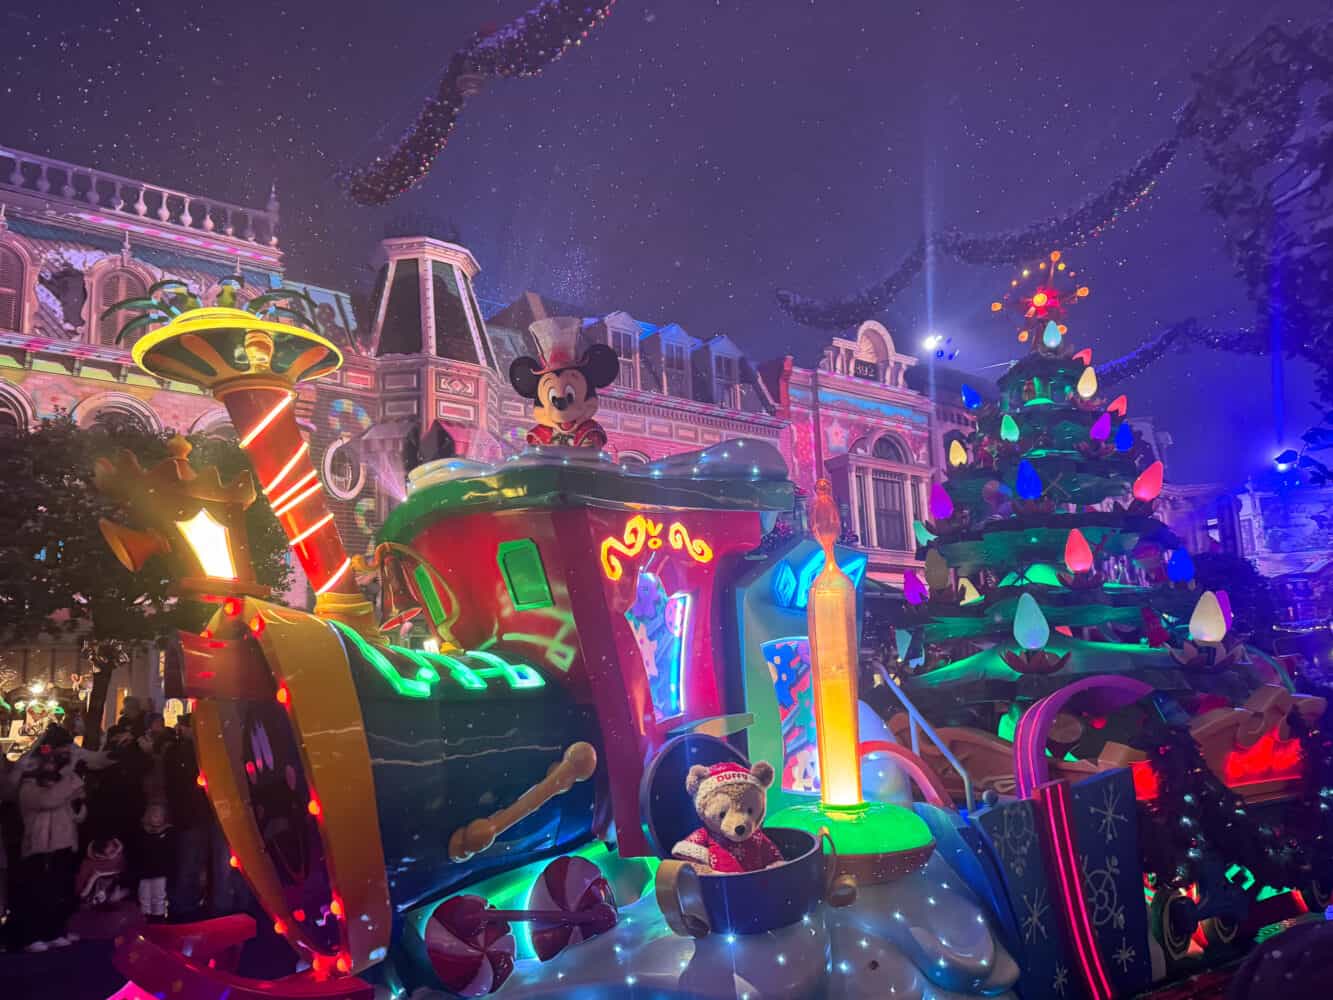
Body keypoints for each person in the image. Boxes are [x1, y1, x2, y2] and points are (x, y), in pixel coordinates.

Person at [15, 747, 85, 951]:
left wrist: (79, 806)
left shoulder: (60, 787)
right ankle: (32, 934)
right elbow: (48, 800)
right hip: (39, 848)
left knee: (60, 891)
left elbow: (78, 815)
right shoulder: (28, 788)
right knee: (38, 893)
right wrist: (70, 773)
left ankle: (56, 930)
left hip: (63, 845)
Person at [163, 715, 211, 919]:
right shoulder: (186, 751)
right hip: (194, 813)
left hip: (192, 813)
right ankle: (184, 904)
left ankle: (186, 902)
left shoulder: (179, 751)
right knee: (191, 860)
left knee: (191, 859)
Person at [134, 802, 173, 920]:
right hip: (144, 872)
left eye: (159, 815)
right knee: (144, 897)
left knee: (159, 897)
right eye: (154, 815)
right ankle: (145, 920)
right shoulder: (142, 833)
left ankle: (158, 920)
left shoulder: (169, 832)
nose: (156, 818)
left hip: (160, 872)